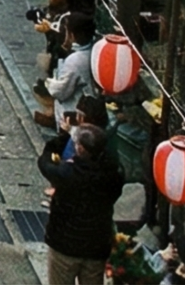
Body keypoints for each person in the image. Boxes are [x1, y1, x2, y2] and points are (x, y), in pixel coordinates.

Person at [40, 121, 125, 285]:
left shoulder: (67, 174)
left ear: (80, 149)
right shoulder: (113, 176)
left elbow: (44, 163)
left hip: (64, 245)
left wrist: (61, 138)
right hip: (96, 246)